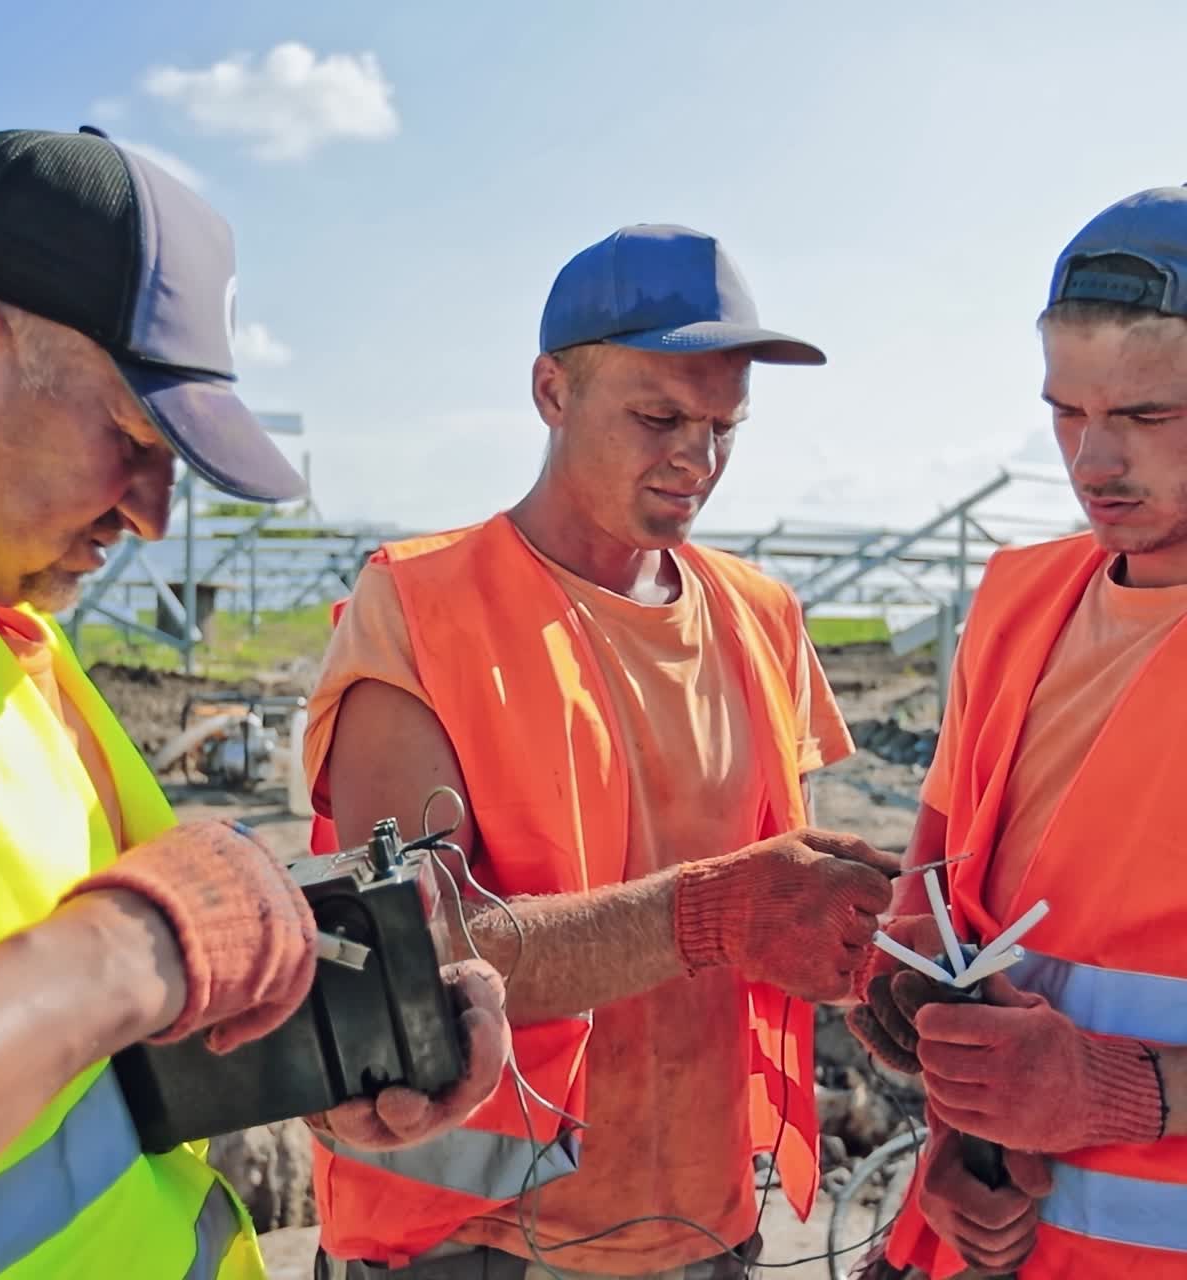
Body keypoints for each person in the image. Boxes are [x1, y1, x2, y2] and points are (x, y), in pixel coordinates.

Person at [0, 127, 508, 1280]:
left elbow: (82, 1068)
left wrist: (341, 1042)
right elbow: (128, 952)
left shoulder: (5, 635)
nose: (148, 514)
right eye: (133, 438)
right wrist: (145, 939)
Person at [302, 224, 901, 1279]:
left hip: (706, 1229)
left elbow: (782, 907)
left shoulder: (760, 616)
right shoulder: (420, 607)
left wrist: (873, 955)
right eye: (658, 416)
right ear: (550, 390)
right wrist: (722, 911)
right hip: (475, 1247)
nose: (696, 458)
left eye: (723, 425)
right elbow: (420, 953)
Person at [848, 188, 1187, 1279]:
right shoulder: (1015, 606)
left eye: (1145, 416)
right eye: (1065, 411)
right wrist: (953, 1119)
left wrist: (1134, 1089)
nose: (1091, 460)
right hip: (989, 1243)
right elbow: (946, 923)